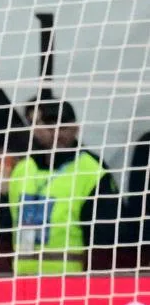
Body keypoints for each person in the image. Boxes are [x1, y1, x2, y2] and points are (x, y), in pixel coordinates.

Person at [9, 93, 122, 273]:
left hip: (70, 279)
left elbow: (104, 237)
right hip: (21, 277)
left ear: (75, 129)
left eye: (63, 127)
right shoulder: (22, 168)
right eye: (49, 126)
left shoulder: (92, 170)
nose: (56, 133)